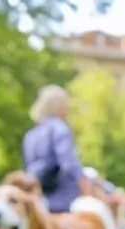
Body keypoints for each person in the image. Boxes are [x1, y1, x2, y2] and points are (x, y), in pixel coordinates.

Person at [22, 85, 89, 213]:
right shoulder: (59, 128)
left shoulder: (31, 134)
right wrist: (85, 185)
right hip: (62, 200)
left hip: (38, 198)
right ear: (59, 106)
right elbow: (69, 164)